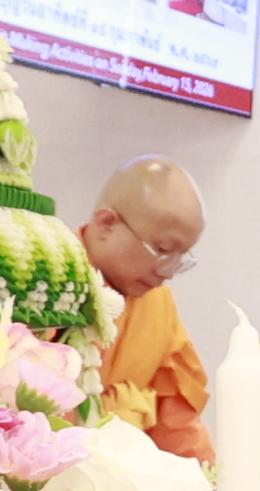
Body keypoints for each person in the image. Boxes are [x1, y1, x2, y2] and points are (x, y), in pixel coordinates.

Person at [85, 154, 210, 459]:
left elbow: (177, 423)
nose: (167, 272)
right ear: (107, 223)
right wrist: (110, 420)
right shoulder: (44, 284)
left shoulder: (159, 305)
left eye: (181, 259)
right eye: (163, 251)